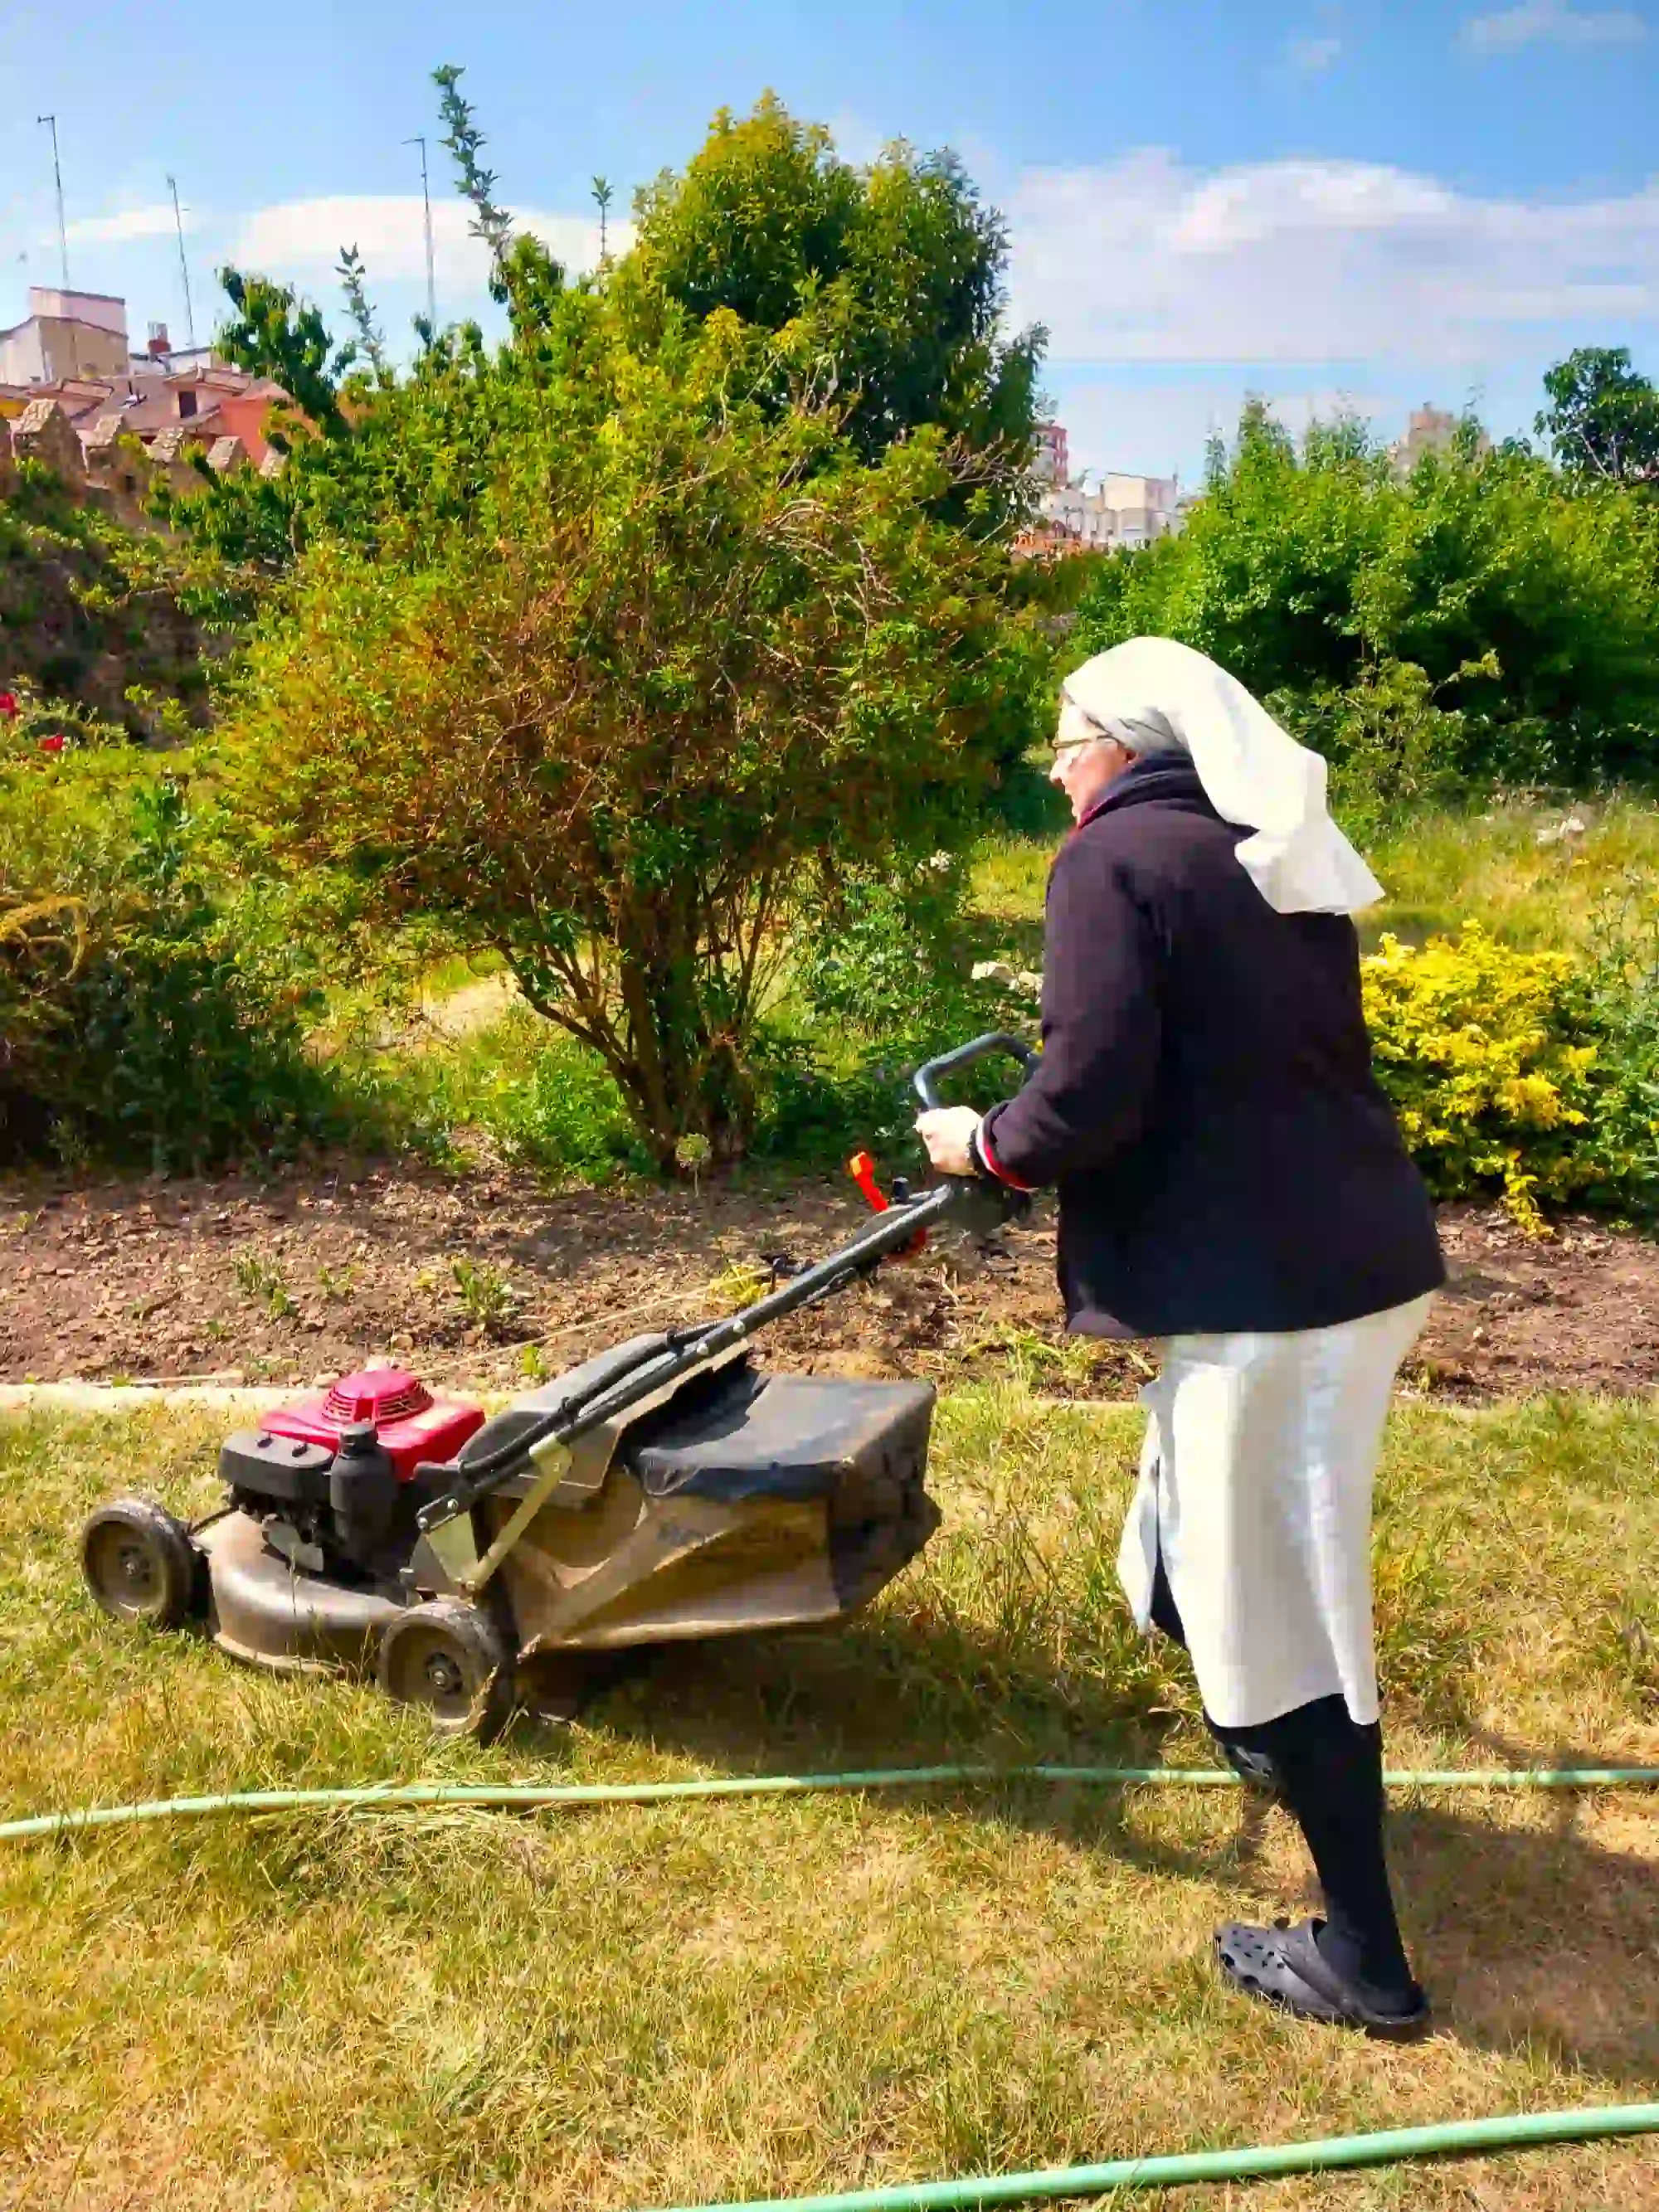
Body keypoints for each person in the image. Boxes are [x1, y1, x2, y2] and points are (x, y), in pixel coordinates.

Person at [917, 634, 1446, 2038]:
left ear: (1123, 743)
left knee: (1283, 1604)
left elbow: (1085, 1097)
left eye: (1062, 738)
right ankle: (1264, 1734)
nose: (1051, 766)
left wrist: (980, 1143)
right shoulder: (1268, 851)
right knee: (1182, 1536)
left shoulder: (1111, 862)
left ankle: (1365, 1959)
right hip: (1354, 1257)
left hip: (1271, 1298)